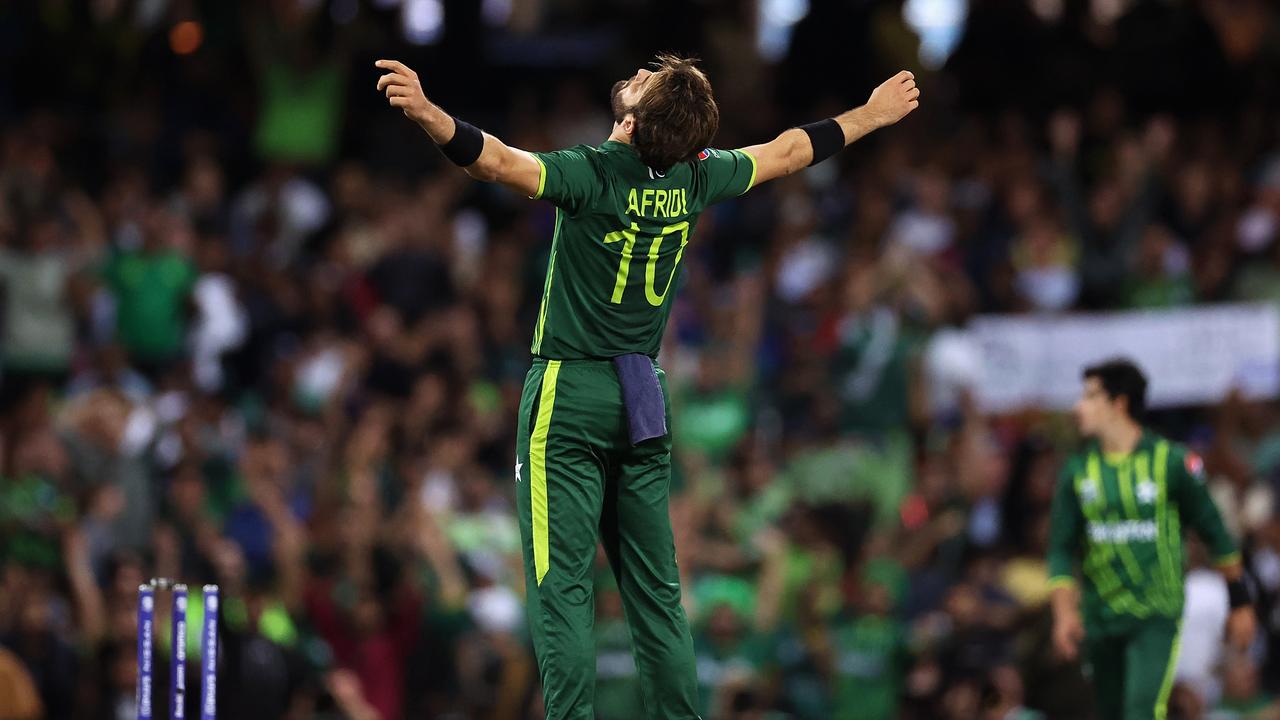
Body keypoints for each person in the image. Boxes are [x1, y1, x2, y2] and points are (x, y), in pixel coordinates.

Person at [376, 53, 918, 719]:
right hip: (642, 394)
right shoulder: (696, 177)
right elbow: (787, 153)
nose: (636, 75)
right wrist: (872, 114)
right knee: (656, 593)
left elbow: (496, 164)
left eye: (645, 82)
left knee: (562, 587)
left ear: (633, 121)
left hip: (568, 389)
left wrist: (430, 115)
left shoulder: (593, 171)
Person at [1047, 359, 1257, 720]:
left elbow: (1215, 533)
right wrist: (1064, 612)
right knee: (1112, 712)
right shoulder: (1077, 471)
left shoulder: (1171, 462)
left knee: (1142, 710)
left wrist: (1240, 603)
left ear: (1119, 403)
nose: (1077, 407)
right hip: (1100, 615)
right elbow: (1060, 548)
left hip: (1154, 613)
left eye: (1090, 396)